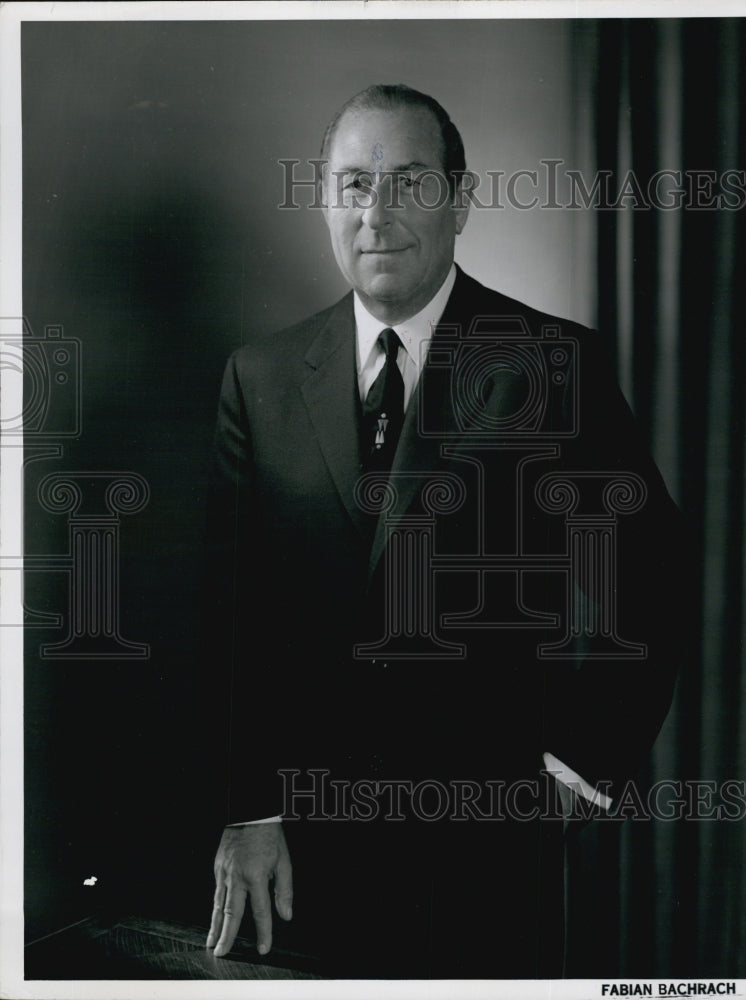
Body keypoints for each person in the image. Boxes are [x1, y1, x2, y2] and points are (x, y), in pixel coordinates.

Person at [202, 84, 685, 978]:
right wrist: (252, 812)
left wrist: (579, 766)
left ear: (460, 202)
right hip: (298, 853)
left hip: (487, 845)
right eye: (352, 185)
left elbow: (650, 575)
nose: (376, 214)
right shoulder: (258, 377)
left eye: (410, 184)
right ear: (323, 204)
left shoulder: (551, 362)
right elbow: (236, 617)